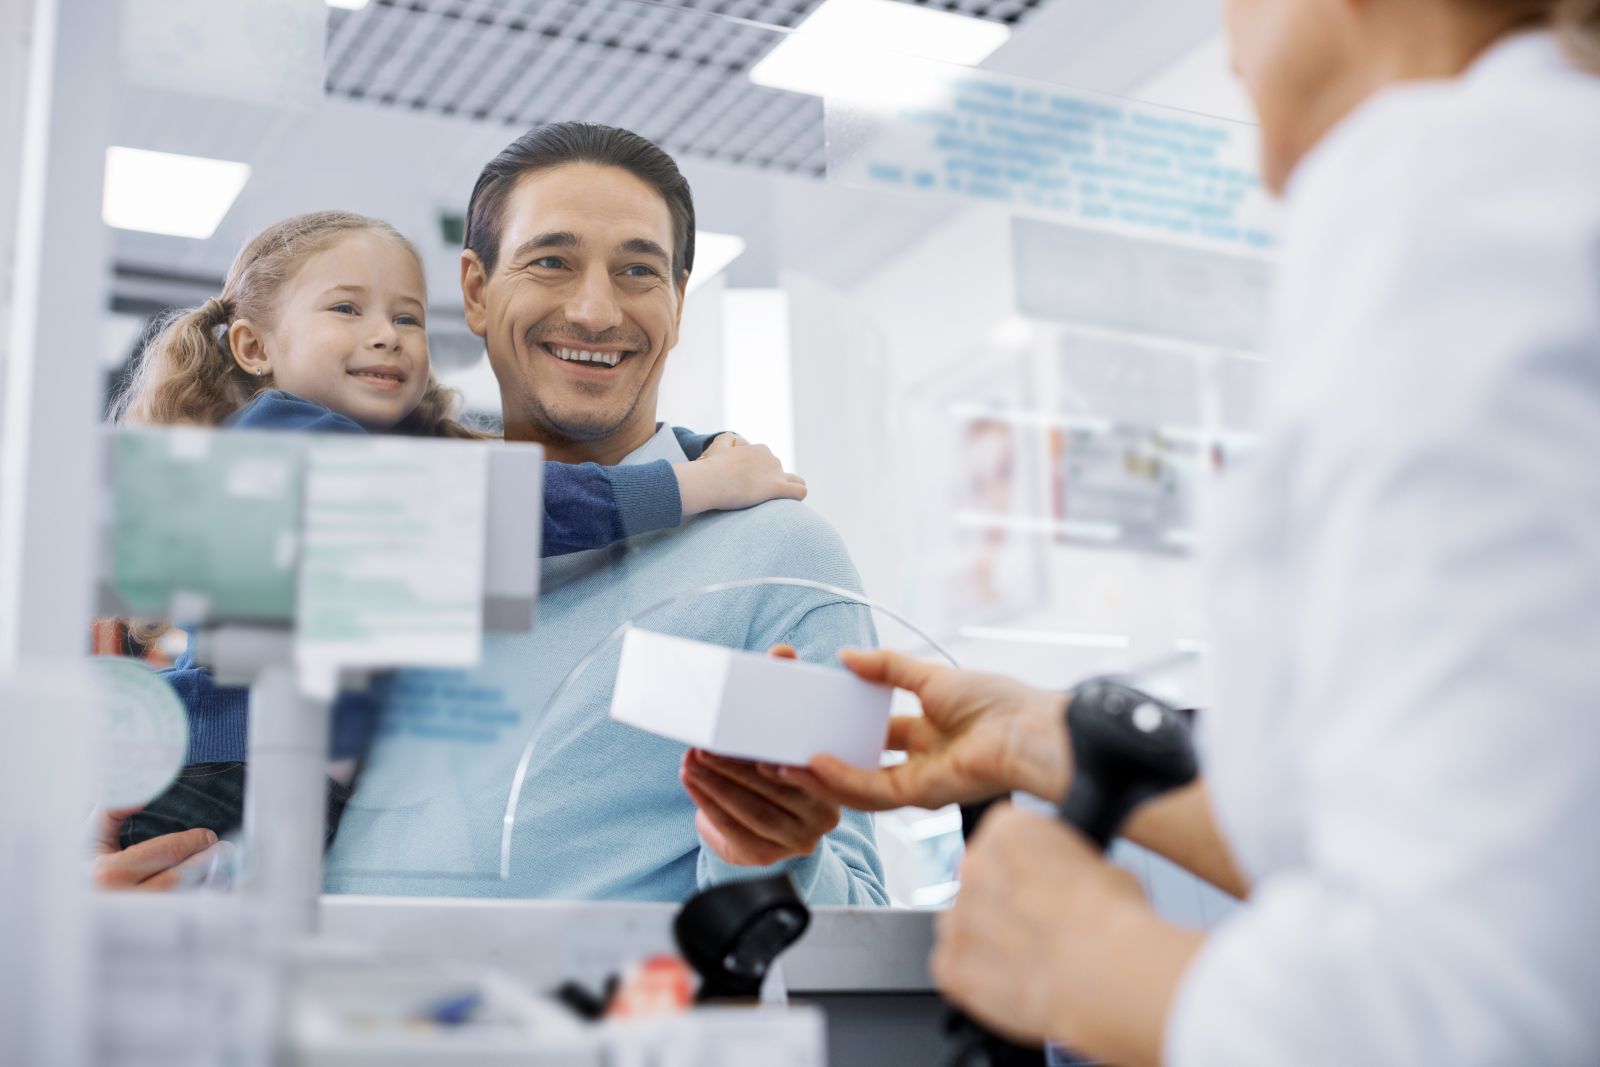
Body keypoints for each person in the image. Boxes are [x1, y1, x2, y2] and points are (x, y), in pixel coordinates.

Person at [782, 0, 1600, 1063]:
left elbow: (1481, 1014)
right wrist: (1038, 741)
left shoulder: (1461, 202)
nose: (1228, 39)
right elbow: (1518, 857)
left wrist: (1085, 956)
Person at [99, 208, 805, 857]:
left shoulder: (359, 459)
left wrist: (692, 444)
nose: (385, 334)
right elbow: (511, 505)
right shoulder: (287, 438)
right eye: (346, 308)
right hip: (227, 768)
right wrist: (693, 486)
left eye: (407, 319)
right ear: (255, 347)